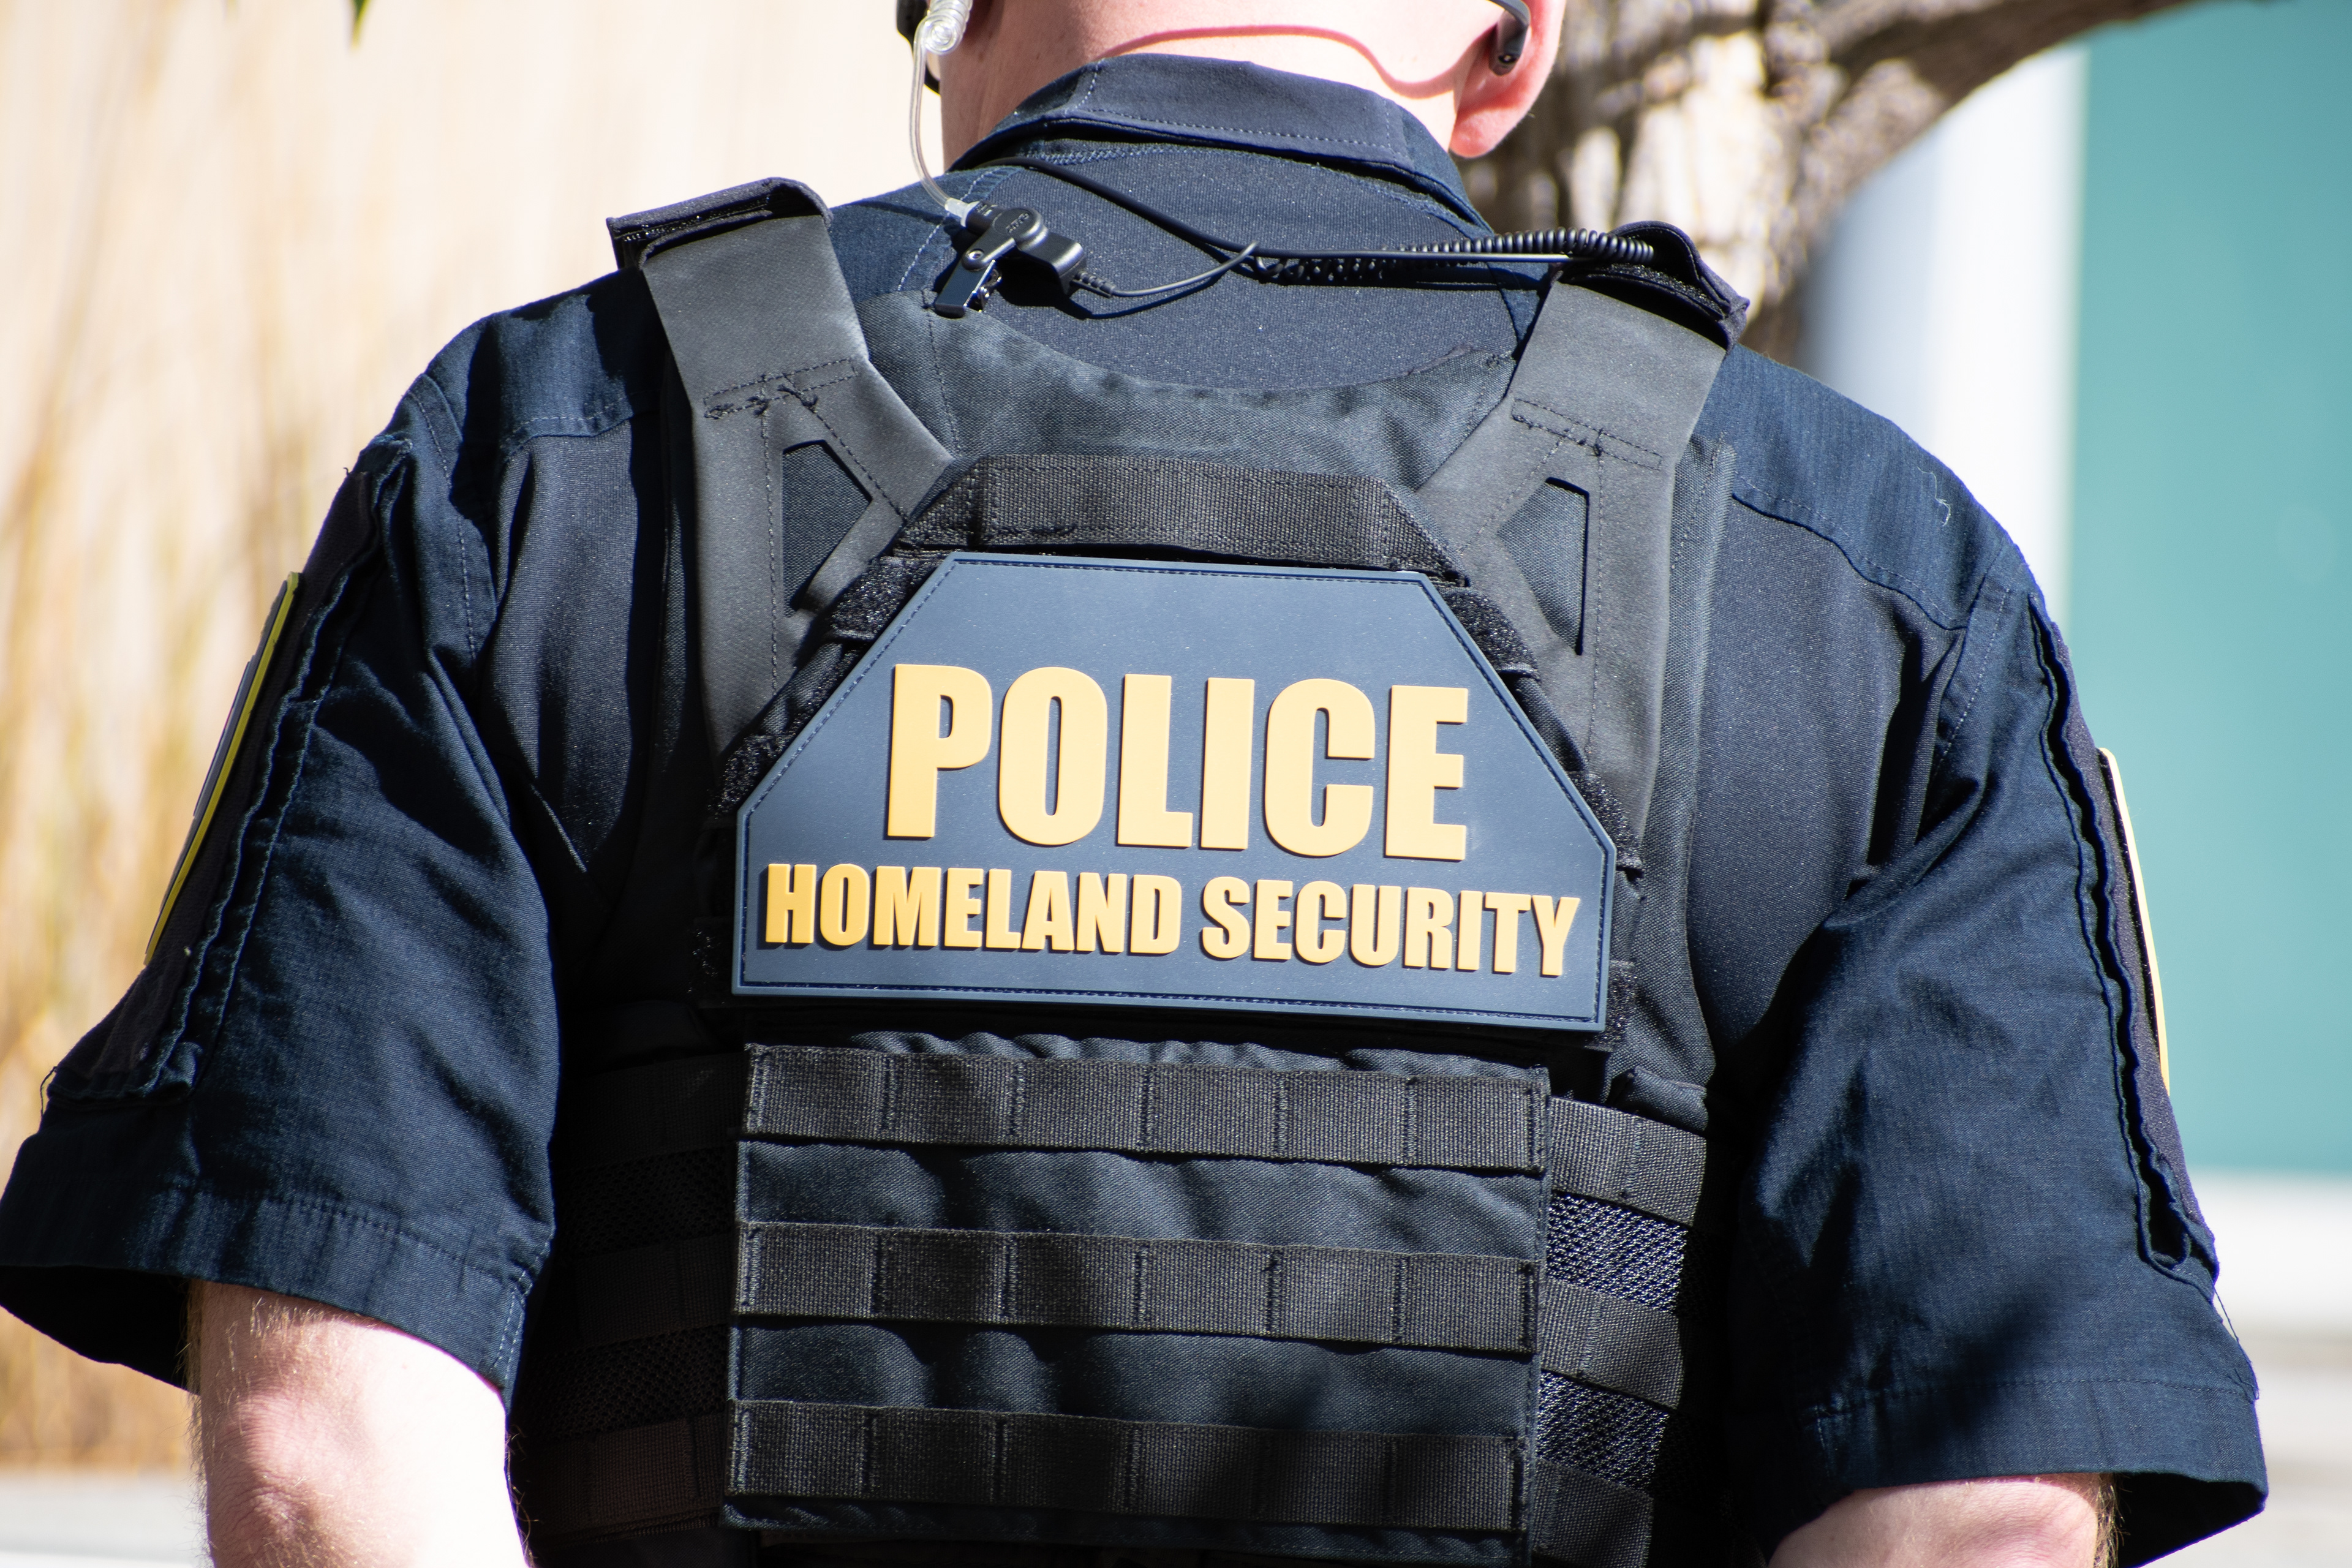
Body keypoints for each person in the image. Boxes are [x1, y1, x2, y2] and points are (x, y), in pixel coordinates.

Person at [0, 2, 2264, 1566]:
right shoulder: (1848, 567)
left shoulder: (564, 459)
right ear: (1512, 45)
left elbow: (331, 1452)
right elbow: (1973, 1501)